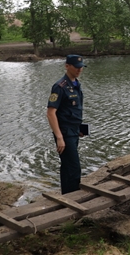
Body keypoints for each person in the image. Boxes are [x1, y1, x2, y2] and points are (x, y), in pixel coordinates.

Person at [47, 54, 86, 194]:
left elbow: (77, 109)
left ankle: (67, 195)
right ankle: (74, 198)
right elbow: (50, 113)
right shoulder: (59, 86)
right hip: (65, 133)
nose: (79, 70)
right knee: (74, 167)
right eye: (76, 67)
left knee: (67, 166)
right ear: (67, 66)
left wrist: (82, 129)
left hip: (75, 131)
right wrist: (59, 137)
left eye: (81, 67)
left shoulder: (76, 84)